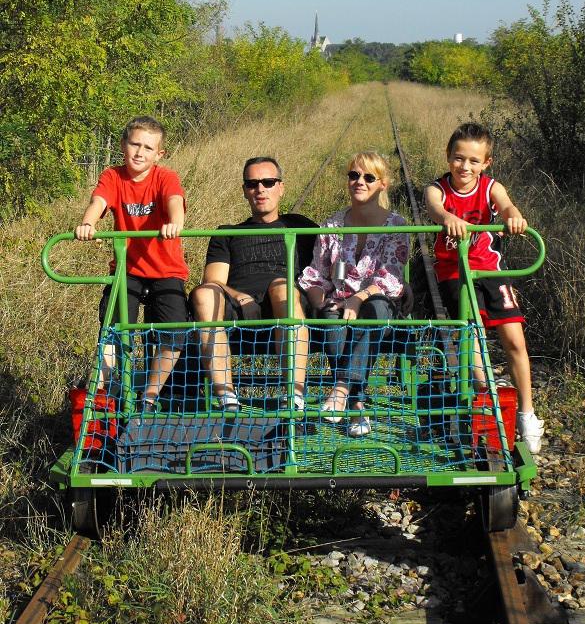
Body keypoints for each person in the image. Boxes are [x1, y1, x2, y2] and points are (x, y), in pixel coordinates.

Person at [424, 122, 544, 454]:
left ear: (486, 163)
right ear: (448, 156)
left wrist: (515, 217)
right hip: (454, 271)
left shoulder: (491, 187)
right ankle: (486, 391)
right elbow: (435, 208)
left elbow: (507, 206)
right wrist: (447, 217)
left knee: (514, 338)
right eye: (459, 158)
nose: (465, 167)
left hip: (489, 269)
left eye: (473, 161)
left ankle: (527, 413)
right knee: (472, 329)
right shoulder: (437, 189)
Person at [75, 116, 188, 413]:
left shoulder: (165, 177)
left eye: (148, 148)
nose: (140, 152)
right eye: (135, 144)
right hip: (128, 270)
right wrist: (88, 223)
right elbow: (99, 202)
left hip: (166, 270)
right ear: (124, 145)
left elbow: (174, 200)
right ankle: (103, 392)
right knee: (113, 329)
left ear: (158, 154)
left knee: (174, 333)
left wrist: (175, 223)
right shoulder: (113, 176)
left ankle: (149, 396)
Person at [189, 157, 317, 411]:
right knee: (203, 293)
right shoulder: (227, 233)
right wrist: (240, 297)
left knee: (281, 286)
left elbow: (335, 258)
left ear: (281, 187)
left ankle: (294, 396)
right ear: (245, 190)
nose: (260, 189)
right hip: (239, 308)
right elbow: (215, 280)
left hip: (286, 304)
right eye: (252, 184)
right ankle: (226, 397)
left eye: (268, 182)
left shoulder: (301, 227)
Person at [298, 151, 410, 437]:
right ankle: (357, 404)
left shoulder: (396, 226)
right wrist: (320, 303)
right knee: (333, 318)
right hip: (339, 301)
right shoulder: (332, 226)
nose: (359, 181)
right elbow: (316, 274)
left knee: (374, 312)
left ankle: (342, 389)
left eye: (369, 177)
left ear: (382, 184)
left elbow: (391, 279)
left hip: (376, 302)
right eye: (354, 175)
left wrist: (358, 298)